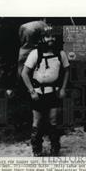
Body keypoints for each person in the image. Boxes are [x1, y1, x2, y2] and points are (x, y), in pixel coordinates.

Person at [21, 26, 70, 156]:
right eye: (48, 36)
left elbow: (66, 71)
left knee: (53, 120)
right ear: (43, 38)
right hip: (38, 92)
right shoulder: (35, 53)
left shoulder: (61, 54)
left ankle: (55, 147)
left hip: (53, 92)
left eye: (53, 36)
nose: (51, 39)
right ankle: (36, 148)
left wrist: (63, 88)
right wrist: (32, 91)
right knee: (37, 121)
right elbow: (24, 73)